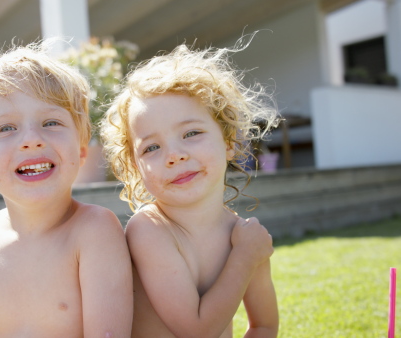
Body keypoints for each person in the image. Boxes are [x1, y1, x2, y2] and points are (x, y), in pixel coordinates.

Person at [0, 41, 133, 337]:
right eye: (6, 128)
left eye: (51, 122)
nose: (31, 140)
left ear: (80, 150)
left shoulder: (95, 231)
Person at [101, 36, 280, 338]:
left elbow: (264, 325)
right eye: (152, 148)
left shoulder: (244, 236)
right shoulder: (151, 229)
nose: (174, 155)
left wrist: (248, 251)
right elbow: (195, 330)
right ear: (135, 168)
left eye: (191, 133)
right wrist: (245, 257)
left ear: (230, 142)